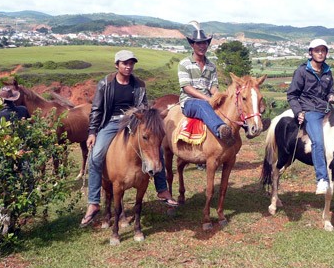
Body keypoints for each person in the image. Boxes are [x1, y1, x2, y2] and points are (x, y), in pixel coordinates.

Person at [80, 50, 176, 227]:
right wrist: (93, 131)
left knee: (158, 149)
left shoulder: (139, 84)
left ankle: (162, 189)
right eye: (124, 63)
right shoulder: (105, 84)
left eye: (131, 63)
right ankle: (93, 202)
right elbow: (97, 109)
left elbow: (144, 107)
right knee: (95, 156)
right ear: (117, 65)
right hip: (111, 122)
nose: (128, 66)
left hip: (133, 121)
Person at [287, 39, 334, 194]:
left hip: (327, 109)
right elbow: (292, 95)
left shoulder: (328, 71)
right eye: (317, 50)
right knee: (318, 141)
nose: (320, 53)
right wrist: (298, 111)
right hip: (311, 111)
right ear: (310, 53)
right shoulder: (302, 71)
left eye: (323, 50)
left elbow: (330, 89)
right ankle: (321, 179)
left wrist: (331, 95)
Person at [178, 22, 234, 147]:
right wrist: (208, 99)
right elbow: (187, 88)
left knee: (231, 103)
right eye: (198, 43)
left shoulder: (211, 66)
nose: (202, 46)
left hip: (208, 100)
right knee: (201, 104)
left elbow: (213, 86)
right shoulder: (184, 64)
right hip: (190, 101)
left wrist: (220, 96)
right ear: (192, 45)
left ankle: (249, 126)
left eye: (204, 43)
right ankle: (221, 131)